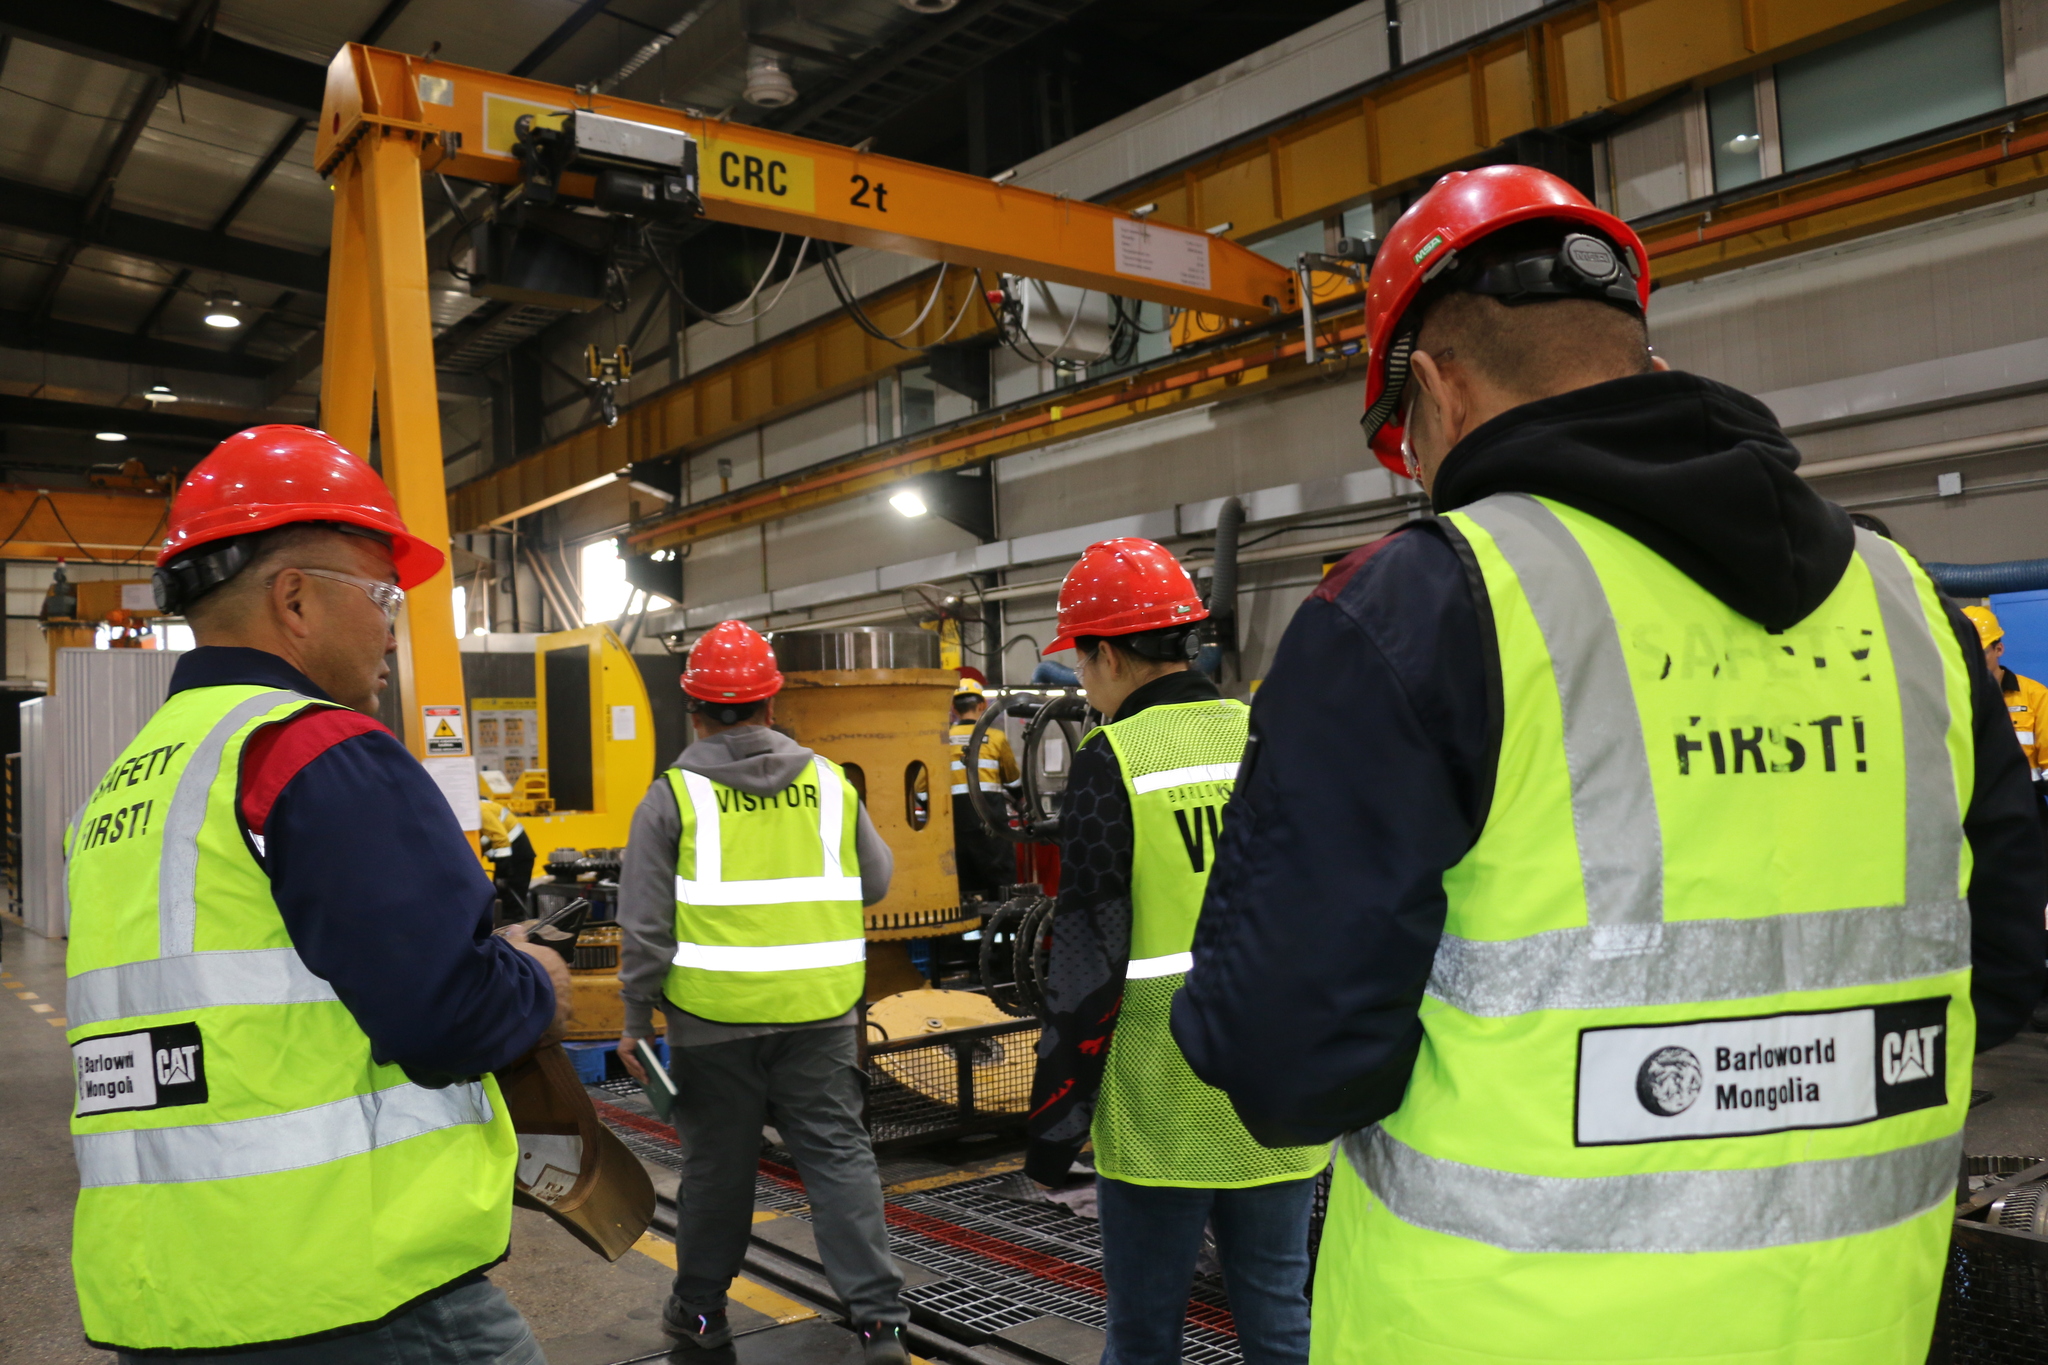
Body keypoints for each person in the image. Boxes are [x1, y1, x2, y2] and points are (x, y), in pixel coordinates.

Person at [1169, 166, 2048, 1364]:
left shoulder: (1416, 608)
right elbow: (1996, 973)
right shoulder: (1907, 609)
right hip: (1853, 1323)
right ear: (1643, 360)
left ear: (1434, 387)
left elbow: (1281, 1061)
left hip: (1492, 1333)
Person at [65, 425, 570, 1363]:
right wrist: (535, 978)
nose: (392, 628)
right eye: (383, 595)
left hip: (165, 1294)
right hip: (347, 1289)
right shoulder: (310, 750)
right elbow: (448, 1015)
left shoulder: (130, 784)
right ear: (293, 598)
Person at [1025, 538, 1326, 1365]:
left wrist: (1055, 1124)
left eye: (1082, 658)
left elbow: (1085, 961)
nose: (1082, 678)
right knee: (1279, 1312)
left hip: (1163, 1100)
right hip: (1276, 1085)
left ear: (1111, 654)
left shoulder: (1112, 759)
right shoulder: (1268, 731)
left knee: (1144, 1332)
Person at [613, 619, 910, 1364]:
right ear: (772, 704)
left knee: (719, 1168)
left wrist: (633, 1017)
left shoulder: (671, 798)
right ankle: (879, 1323)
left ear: (694, 711)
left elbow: (644, 927)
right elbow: (876, 881)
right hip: (820, 1014)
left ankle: (701, 1314)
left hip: (712, 1023)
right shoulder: (829, 783)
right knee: (839, 1160)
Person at [947, 676, 1021, 901]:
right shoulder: (996, 737)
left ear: (954, 709)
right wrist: (1020, 799)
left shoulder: (942, 740)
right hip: (991, 823)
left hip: (955, 825)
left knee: (961, 891)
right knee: (1001, 889)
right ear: (982, 705)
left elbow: (922, 789)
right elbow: (1013, 781)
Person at [1965, 605, 2048, 785]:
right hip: (1974, 798)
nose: (1972, 660)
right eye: (1965, 653)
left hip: (2025, 797)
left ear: (1999, 649)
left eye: (1980, 653)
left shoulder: (2035, 695)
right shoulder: (1951, 698)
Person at [479, 792, 536, 918]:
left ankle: (512, 927)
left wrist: (502, 872)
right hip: (510, 856)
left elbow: (501, 840)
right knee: (500, 899)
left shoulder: (480, 810)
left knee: (510, 905)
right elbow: (481, 841)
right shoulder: (479, 810)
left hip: (518, 856)